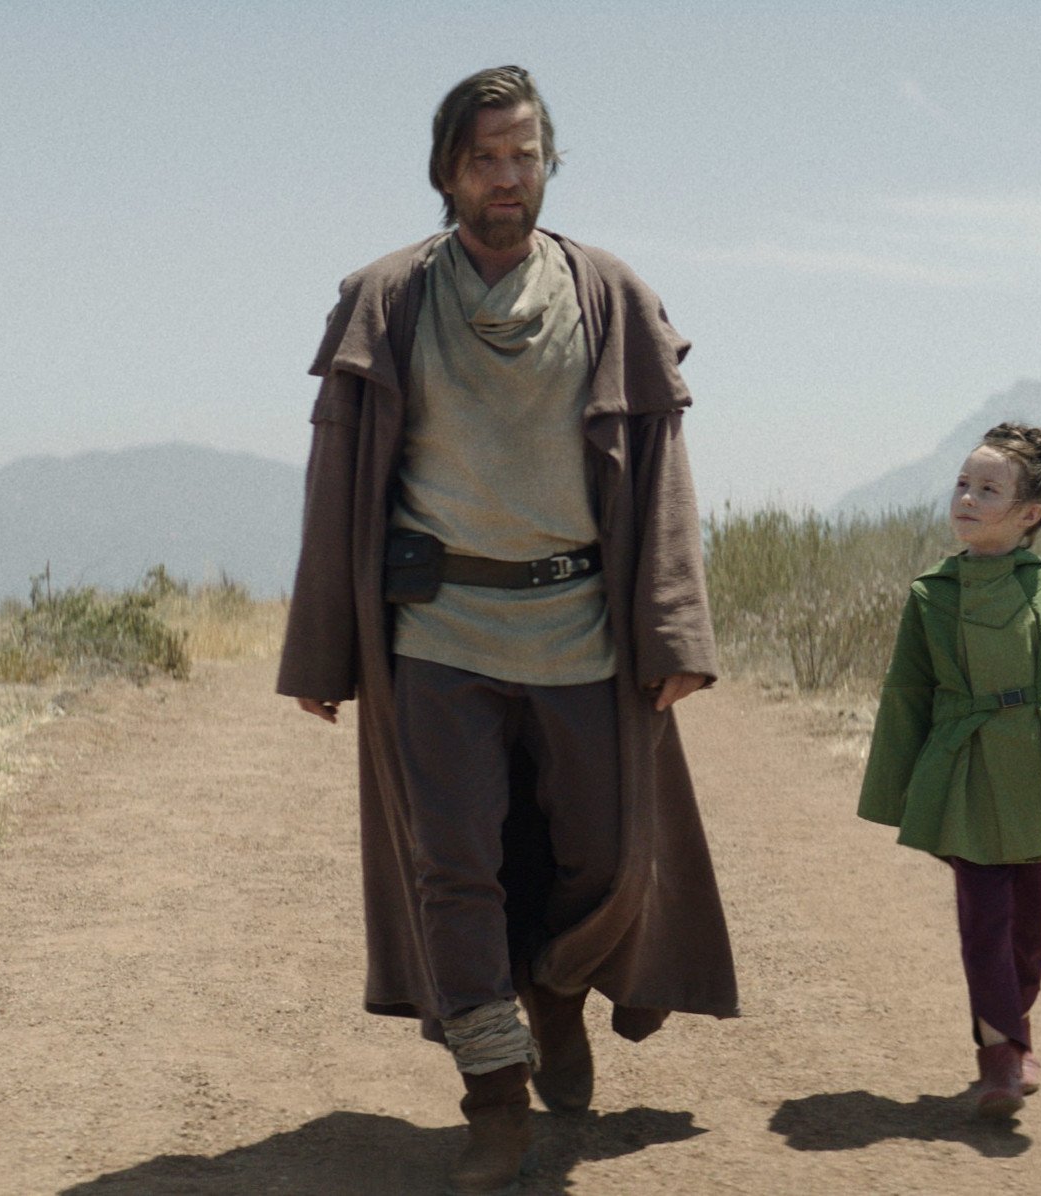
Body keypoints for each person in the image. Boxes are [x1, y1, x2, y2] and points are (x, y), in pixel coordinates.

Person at [276, 65, 737, 1195]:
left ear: (547, 164)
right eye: (484, 157)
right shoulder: (386, 299)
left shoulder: (608, 294)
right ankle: (492, 1096)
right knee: (453, 863)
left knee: (606, 852)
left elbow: (664, 476)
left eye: (524, 154)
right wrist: (323, 647)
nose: (506, 176)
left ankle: (559, 988)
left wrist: (673, 627)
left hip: (581, 628)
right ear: (447, 171)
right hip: (438, 633)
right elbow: (335, 481)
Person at [856, 422, 1041, 1121]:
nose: (967, 499)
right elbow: (907, 693)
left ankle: (1015, 1031)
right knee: (985, 925)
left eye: (988, 489)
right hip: (967, 770)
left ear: (1029, 514)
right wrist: (901, 789)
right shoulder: (931, 594)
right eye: (963, 485)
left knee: (1031, 932)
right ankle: (999, 1057)